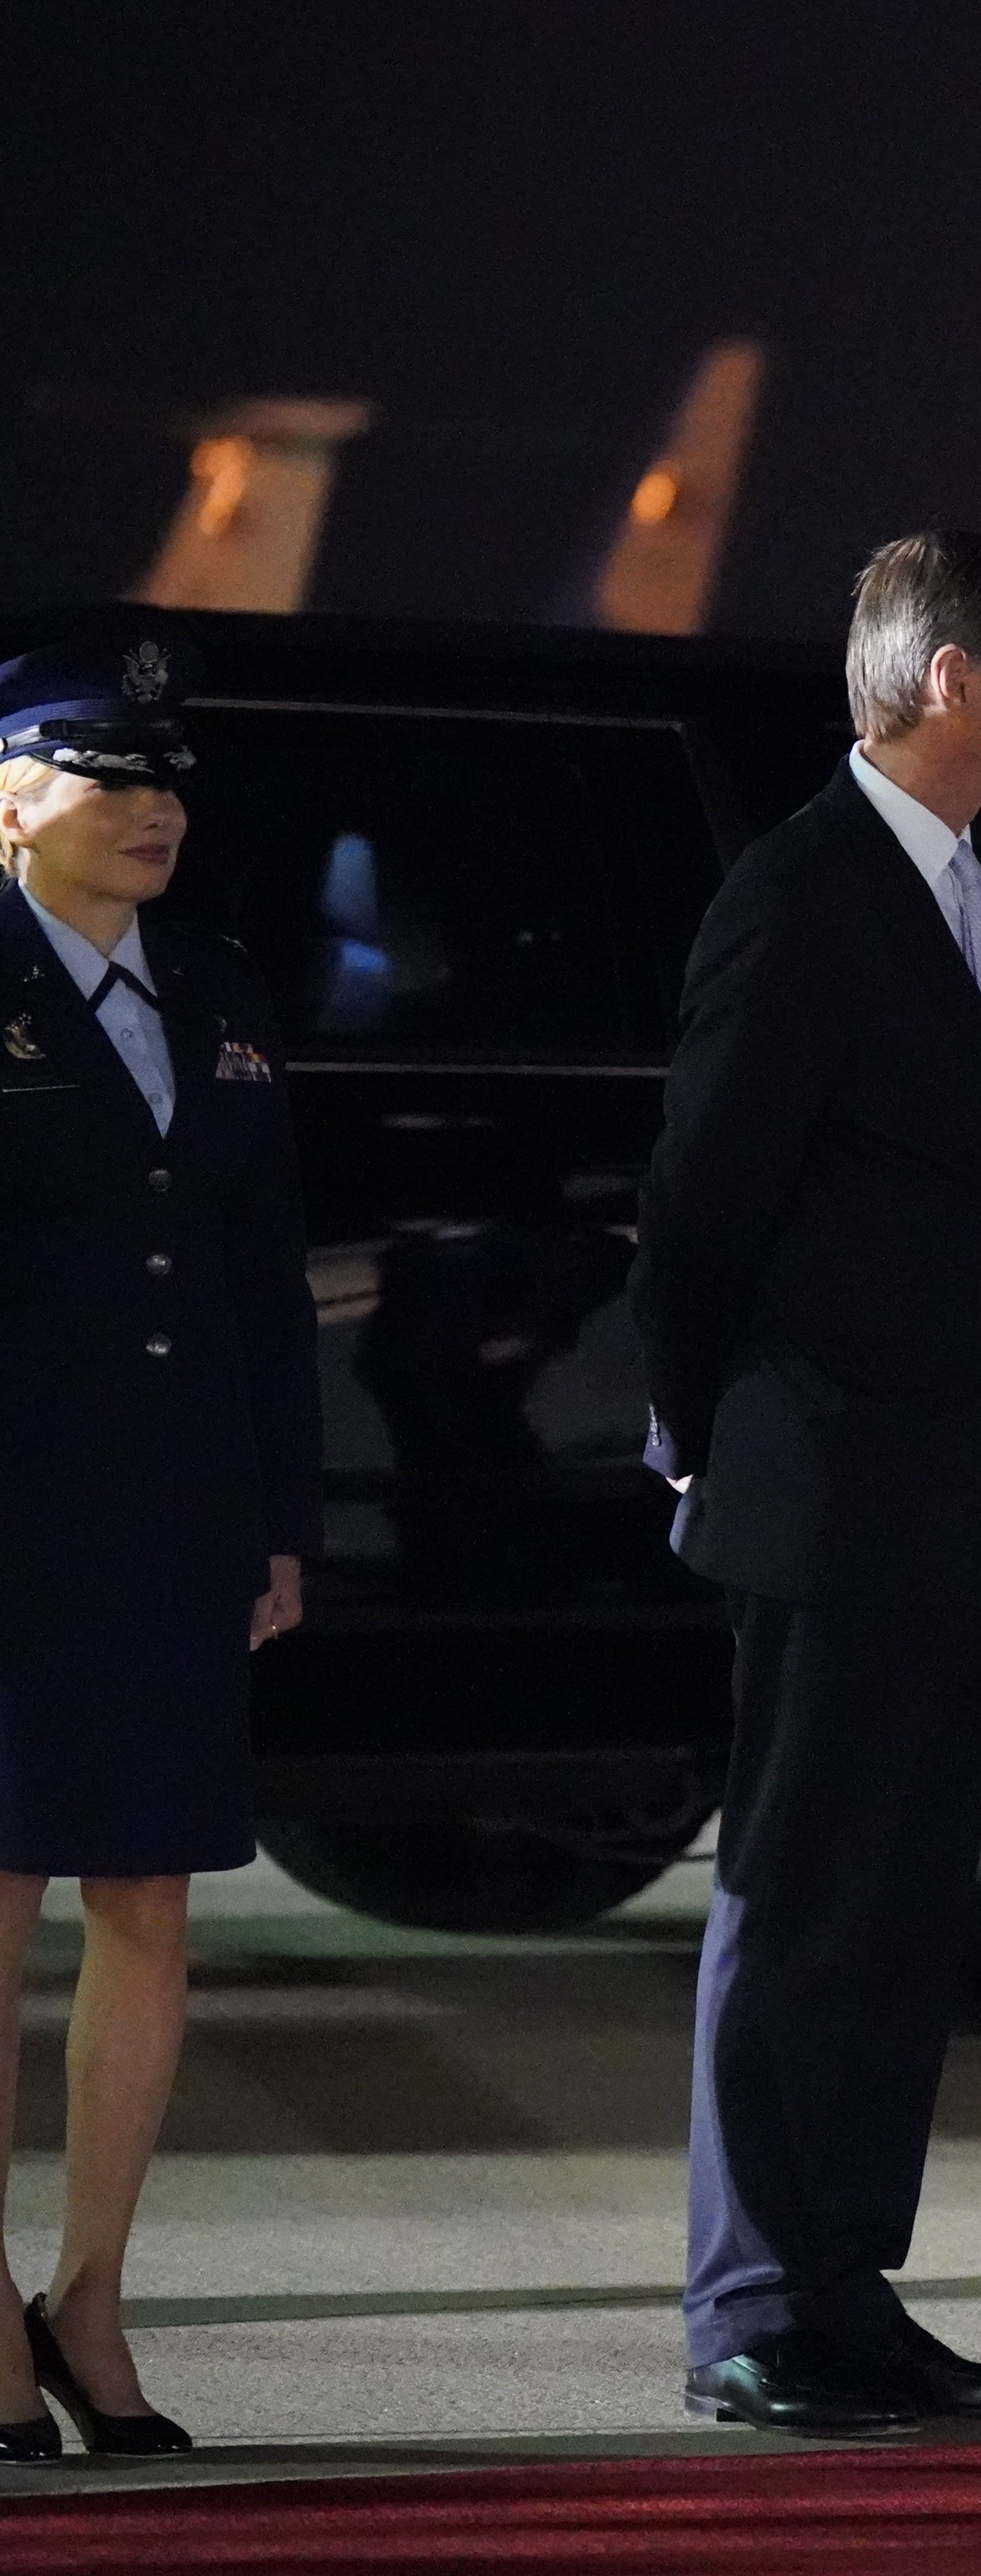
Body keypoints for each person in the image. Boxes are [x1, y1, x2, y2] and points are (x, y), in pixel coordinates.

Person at [631, 531, 981, 2439]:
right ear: (950, 680)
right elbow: (702, 1202)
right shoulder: (803, 896)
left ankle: (846, 2288)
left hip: (956, 1498)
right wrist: (704, 1433)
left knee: (900, 1911)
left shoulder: (971, 891)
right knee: (802, 1892)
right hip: (831, 1485)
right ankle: (752, 2302)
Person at [0, 638, 319, 2459]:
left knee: (147, 1897)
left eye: (170, 779)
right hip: (14, 1514)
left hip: (177, 1508)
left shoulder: (211, 988)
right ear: (10, 802)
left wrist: (282, 1517)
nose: (154, 807)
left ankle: (93, 2292)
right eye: (108, 774)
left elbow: (257, 1282)